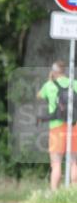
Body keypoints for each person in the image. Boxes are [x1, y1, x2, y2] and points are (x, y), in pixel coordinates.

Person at [37, 60, 76, 190]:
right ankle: (74, 193)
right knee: (74, 162)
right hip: (74, 125)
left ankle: (54, 194)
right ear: (64, 71)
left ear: (53, 71)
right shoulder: (74, 83)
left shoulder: (49, 85)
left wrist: (50, 79)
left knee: (56, 162)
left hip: (56, 127)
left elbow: (39, 96)